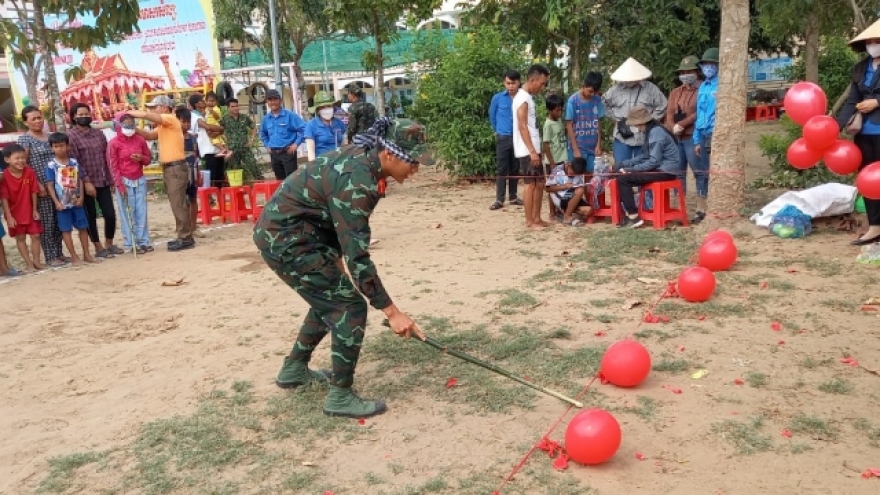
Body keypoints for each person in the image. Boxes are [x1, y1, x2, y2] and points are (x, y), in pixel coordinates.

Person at [253, 116, 432, 419]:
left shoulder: (366, 163)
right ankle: (340, 396)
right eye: (412, 162)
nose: (415, 170)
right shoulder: (358, 182)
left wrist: (336, 265)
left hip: (299, 235)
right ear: (389, 154)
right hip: (287, 241)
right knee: (349, 307)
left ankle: (294, 369)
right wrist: (393, 313)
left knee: (332, 298)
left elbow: (334, 222)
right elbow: (358, 258)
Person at [128, 95, 195, 251]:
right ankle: (183, 235)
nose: (152, 110)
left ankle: (185, 237)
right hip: (172, 168)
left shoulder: (169, 119)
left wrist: (130, 114)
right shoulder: (166, 125)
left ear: (164, 107)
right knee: (176, 202)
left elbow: (147, 116)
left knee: (177, 203)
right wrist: (133, 128)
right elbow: (149, 135)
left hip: (175, 168)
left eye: (155, 107)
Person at [838, 22, 880, 245]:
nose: (873, 45)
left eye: (878, 42)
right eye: (870, 42)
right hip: (863, 132)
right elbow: (852, 101)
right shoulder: (860, 68)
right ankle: (875, 227)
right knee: (868, 180)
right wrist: (835, 127)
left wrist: (877, 102)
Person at [612, 106, 681, 229]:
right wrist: (624, 164)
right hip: (659, 168)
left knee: (623, 179)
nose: (636, 128)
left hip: (665, 171)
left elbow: (653, 161)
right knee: (623, 176)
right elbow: (644, 156)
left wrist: (630, 170)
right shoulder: (651, 131)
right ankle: (631, 214)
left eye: (636, 125)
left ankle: (633, 217)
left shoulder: (656, 132)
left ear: (642, 122)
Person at [68, 103, 121, 258]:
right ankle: (97, 246)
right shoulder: (71, 136)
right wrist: (86, 182)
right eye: (80, 114)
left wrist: (111, 178)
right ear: (73, 117)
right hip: (85, 182)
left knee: (110, 214)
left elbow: (107, 157)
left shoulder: (98, 134)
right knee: (90, 215)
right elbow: (74, 162)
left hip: (103, 179)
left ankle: (109, 243)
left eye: (87, 114)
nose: (84, 117)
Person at [17, 106, 65, 267]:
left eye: (39, 117)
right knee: (47, 221)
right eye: (33, 119)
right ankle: (51, 256)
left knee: (59, 220)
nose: (38, 121)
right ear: (26, 122)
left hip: (58, 184)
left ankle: (59, 253)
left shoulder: (51, 136)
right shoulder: (25, 140)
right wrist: (37, 185)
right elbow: (23, 164)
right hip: (40, 187)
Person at [107, 113, 154, 254]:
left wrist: (141, 158)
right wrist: (119, 184)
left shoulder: (140, 140)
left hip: (139, 179)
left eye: (132, 125)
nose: (129, 128)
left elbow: (148, 159)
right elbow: (113, 165)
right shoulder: (113, 144)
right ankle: (130, 242)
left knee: (141, 211)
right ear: (120, 126)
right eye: (126, 125)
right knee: (127, 212)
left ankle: (144, 241)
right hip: (124, 180)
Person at [46, 132, 94, 265]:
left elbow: (79, 180)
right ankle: (73, 256)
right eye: (56, 146)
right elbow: (50, 185)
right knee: (66, 230)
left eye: (62, 146)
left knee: (83, 228)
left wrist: (82, 197)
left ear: (68, 146)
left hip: (76, 202)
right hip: (62, 204)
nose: (59, 149)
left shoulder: (74, 162)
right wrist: (56, 202)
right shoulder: (51, 165)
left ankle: (87, 254)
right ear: (51, 148)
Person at [513, 64, 551, 230]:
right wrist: (532, 151)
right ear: (532, 79)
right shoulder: (522, 98)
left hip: (533, 148)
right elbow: (522, 127)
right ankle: (529, 221)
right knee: (530, 184)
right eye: (542, 83)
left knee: (540, 183)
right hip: (527, 150)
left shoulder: (528, 98)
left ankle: (537, 217)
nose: (543, 87)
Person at [1, 144, 44, 271]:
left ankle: (36, 261)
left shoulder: (29, 171)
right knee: (20, 238)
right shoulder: (4, 176)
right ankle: (28, 264)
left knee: (36, 236)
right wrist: (9, 216)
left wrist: (35, 209)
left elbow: (34, 191)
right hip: (14, 213)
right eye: (17, 158)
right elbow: (4, 198)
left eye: (22, 158)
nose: (21, 161)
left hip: (29, 210)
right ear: (7, 160)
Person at [666, 55, 702, 196]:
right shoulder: (675, 92)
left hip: (693, 137)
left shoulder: (702, 90)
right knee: (678, 173)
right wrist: (672, 127)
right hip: (676, 138)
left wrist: (682, 124)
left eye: (689, 72)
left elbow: (701, 111)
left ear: (697, 72)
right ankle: (680, 207)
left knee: (699, 172)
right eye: (682, 73)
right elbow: (669, 113)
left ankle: (701, 207)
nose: (685, 75)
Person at [489, 70, 524, 210]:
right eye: (508, 83)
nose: (511, 86)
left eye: (513, 83)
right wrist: (498, 131)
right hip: (503, 137)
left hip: (518, 138)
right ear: (504, 83)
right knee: (502, 168)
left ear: (519, 82)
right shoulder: (497, 98)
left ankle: (513, 196)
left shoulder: (523, 98)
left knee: (515, 168)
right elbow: (492, 116)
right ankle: (499, 199)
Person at [692, 48, 719, 224]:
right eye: (705, 64)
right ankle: (701, 208)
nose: (708, 67)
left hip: (715, 132)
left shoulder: (722, 85)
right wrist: (696, 139)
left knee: (715, 172)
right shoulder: (703, 86)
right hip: (702, 133)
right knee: (701, 172)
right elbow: (698, 112)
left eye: (711, 64)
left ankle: (714, 208)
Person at [345, 83, 384, 197]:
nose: (348, 96)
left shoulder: (353, 108)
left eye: (348, 94)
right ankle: (380, 187)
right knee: (374, 162)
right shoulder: (371, 106)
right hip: (372, 138)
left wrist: (348, 138)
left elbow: (351, 127)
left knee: (359, 163)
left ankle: (364, 187)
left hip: (360, 139)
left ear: (352, 95)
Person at [259, 89, 306, 180]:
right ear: (267, 102)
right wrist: (267, 145)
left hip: (288, 153)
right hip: (274, 154)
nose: (273, 102)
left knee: (291, 181)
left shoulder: (290, 116)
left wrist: (296, 144)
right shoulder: (266, 119)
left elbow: (304, 129)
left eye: (275, 99)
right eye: (270, 100)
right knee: (279, 181)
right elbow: (263, 133)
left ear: (280, 100)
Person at [565, 72, 605, 173]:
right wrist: (575, 149)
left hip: (592, 148)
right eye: (590, 91)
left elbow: (599, 123)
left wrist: (598, 144)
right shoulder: (572, 101)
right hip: (578, 147)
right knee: (575, 177)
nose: (592, 95)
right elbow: (569, 125)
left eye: (594, 93)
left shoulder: (597, 100)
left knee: (591, 177)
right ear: (583, 86)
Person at [189, 94, 225, 188]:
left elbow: (212, 129)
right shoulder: (194, 115)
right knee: (212, 175)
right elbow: (207, 127)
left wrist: (219, 131)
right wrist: (220, 128)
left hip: (215, 148)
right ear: (197, 104)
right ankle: (210, 197)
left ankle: (219, 196)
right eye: (202, 100)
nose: (205, 102)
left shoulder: (203, 114)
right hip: (208, 149)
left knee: (219, 174)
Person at [220, 98, 261, 181]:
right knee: (235, 171)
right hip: (232, 150)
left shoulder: (244, 117)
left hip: (245, 148)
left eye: (236, 106)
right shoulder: (224, 119)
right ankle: (239, 189)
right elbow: (219, 131)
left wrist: (251, 139)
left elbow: (253, 128)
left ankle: (261, 183)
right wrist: (224, 143)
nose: (235, 108)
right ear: (228, 108)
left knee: (253, 166)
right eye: (233, 106)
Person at [545, 156, 592, 226]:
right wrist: (563, 187)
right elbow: (547, 189)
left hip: (573, 198)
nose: (573, 175)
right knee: (580, 191)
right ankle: (567, 216)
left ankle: (565, 212)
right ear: (568, 165)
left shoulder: (578, 172)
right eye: (572, 173)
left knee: (589, 210)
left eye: (575, 174)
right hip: (562, 197)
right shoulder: (557, 171)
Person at [542, 94, 567, 219]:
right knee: (552, 187)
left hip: (562, 158)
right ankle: (552, 212)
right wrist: (551, 162)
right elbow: (546, 144)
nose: (560, 112)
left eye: (561, 109)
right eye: (557, 110)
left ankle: (559, 210)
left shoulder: (559, 121)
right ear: (549, 110)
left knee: (562, 185)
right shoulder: (548, 125)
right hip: (553, 161)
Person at [305, 91, 347, 161]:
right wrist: (313, 168)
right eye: (323, 107)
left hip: (339, 163)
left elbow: (345, 145)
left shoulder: (339, 123)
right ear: (318, 110)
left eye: (329, 106)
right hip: (321, 165)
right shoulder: (311, 125)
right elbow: (311, 152)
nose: (327, 109)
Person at [204, 92, 230, 159]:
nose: (211, 103)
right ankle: (227, 150)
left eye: (213, 101)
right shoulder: (206, 109)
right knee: (220, 139)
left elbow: (217, 117)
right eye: (209, 101)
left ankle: (222, 149)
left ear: (216, 102)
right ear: (206, 101)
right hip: (210, 126)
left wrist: (212, 111)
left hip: (214, 126)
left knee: (213, 139)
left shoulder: (216, 108)